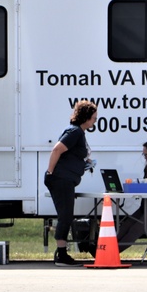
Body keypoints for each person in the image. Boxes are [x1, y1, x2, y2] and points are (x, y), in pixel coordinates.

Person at [44, 100, 97, 266]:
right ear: (86, 118)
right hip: (61, 179)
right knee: (65, 216)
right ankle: (62, 255)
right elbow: (57, 149)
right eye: (94, 118)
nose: (95, 121)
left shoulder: (78, 133)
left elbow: (70, 154)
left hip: (66, 179)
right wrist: (50, 172)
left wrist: (84, 162)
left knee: (66, 215)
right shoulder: (75, 132)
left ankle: (61, 253)